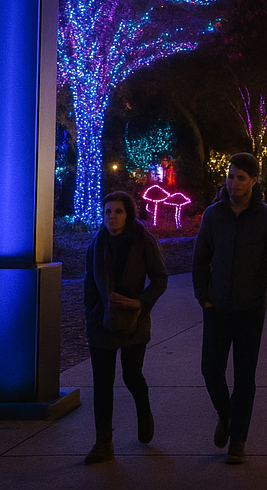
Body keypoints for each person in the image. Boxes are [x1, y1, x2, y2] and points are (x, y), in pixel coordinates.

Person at [193, 152, 267, 464]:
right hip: (217, 307)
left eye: (241, 178)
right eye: (231, 176)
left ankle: (238, 440)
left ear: (254, 180)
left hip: (249, 310)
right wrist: (203, 295)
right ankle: (226, 413)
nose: (234, 183)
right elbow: (200, 260)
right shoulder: (213, 215)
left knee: (245, 377)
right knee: (211, 370)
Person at [83, 191, 168, 464]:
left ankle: (144, 412)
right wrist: (93, 312)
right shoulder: (97, 243)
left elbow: (159, 279)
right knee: (102, 383)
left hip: (134, 321)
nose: (111, 217)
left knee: (132, 376)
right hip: (102, 321)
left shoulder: (143, 240)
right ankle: (103, 442)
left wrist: (139, 303)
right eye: (107, 211)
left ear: (128, 214)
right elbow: (88, 281)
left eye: (117, 211)